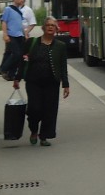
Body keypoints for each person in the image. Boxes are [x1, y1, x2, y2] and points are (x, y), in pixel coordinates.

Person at [13, 18, 71, 146]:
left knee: (49, 110)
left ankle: (44, 136)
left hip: (52, 82)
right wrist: (17, 77)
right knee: (34, 108)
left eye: (53, 26)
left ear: (56, 29)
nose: (50, 27)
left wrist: (65, 84)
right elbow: (23, 61)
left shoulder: (60, 46)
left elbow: (63, 66)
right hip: (34, 81)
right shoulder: (32, 42)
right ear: (43, 28)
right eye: (48, 25)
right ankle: (34, 130)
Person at [0, 0, 28, 80]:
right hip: (11, 35)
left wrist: (25, 34)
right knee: (16, 54)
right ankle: (3, 68)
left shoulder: (20, 11)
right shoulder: (8, 9)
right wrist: (5, 34)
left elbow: (21, 25)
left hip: (19, 35)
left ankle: (11, 74)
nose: (21, 1)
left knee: (19, 56)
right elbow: (4, 22)